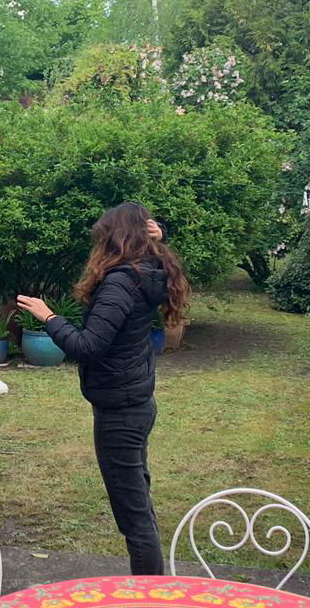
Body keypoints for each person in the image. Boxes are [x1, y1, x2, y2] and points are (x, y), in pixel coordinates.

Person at [16, 203, 190, 575]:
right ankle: (153, 589)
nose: (99, 242)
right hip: (134, 401)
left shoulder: (121, 282)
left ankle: (150, 601)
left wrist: (49, 318)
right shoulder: (150, 271)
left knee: (134, 517)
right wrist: (160, 240)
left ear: (116, 238)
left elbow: (87, 347)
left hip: (121, 412)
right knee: (138, 502)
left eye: (103, 235)